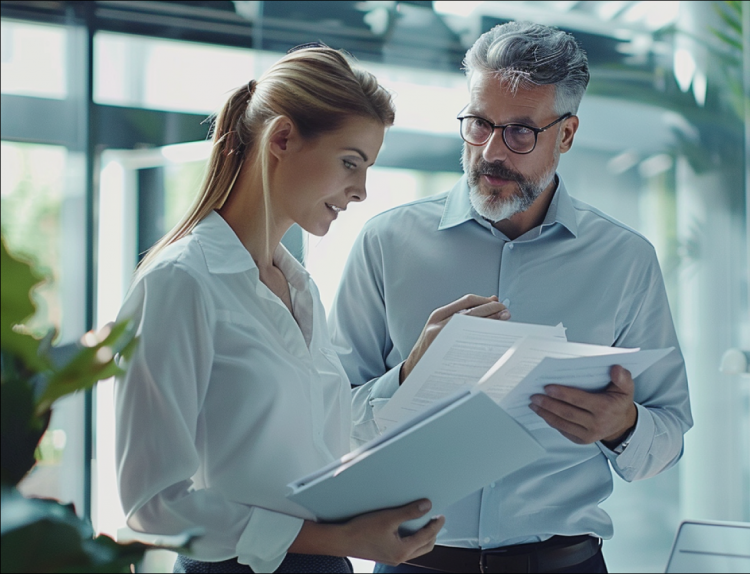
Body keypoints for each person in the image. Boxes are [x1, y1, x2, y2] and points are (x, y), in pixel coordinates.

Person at [330, 21, 693, 574]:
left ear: (566, 135)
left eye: (521, 132)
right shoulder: (387, 242)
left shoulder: (625, 260)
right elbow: (327, 422)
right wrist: (407, 378)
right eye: (478, 124)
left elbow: (668, 437)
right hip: (413, 564)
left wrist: (622, 426)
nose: (491, 151)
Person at [114, 44, 447, 574]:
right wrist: (334, 538)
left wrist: (413, 372)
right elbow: (153, 507)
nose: (361, 190)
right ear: (284, 138)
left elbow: (325, 444)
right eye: (349, 163)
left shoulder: (299, 288)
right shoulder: (181, 282)